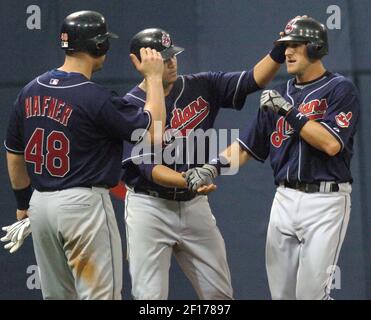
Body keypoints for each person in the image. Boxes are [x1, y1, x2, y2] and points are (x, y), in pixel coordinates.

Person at [184, 17, 360, 300]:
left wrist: (289, 112)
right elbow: (246, 147)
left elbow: (330, 144)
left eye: (295, 45)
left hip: (326, 200)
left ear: (315, 48)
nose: (287, 52)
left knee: (311, 295)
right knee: (282, 296)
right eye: (284, 46)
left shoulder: (340, 89)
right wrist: (212, 168)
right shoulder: (278, 94)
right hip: (285, 200)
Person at [3, 10, 166, 300]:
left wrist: (22, 204)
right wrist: (154, 79)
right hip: (82, 207)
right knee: (101, 296)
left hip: (41, 205)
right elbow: (153, 135)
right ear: (99, 45)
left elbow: (15, 155)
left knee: (58, 297)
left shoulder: (29, 90)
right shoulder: (95, 96)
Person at [121, 27, 286, 299]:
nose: (171, 62)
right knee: (150, 298)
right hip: (149, 207)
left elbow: (251, 81)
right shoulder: (130, 105)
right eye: (163, 58)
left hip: (193, 203)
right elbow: (148, 168)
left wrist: (277, 52)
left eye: (172, 55)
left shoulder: (202, 84)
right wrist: (189, 179)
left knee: (219, 295)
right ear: (141, 63)